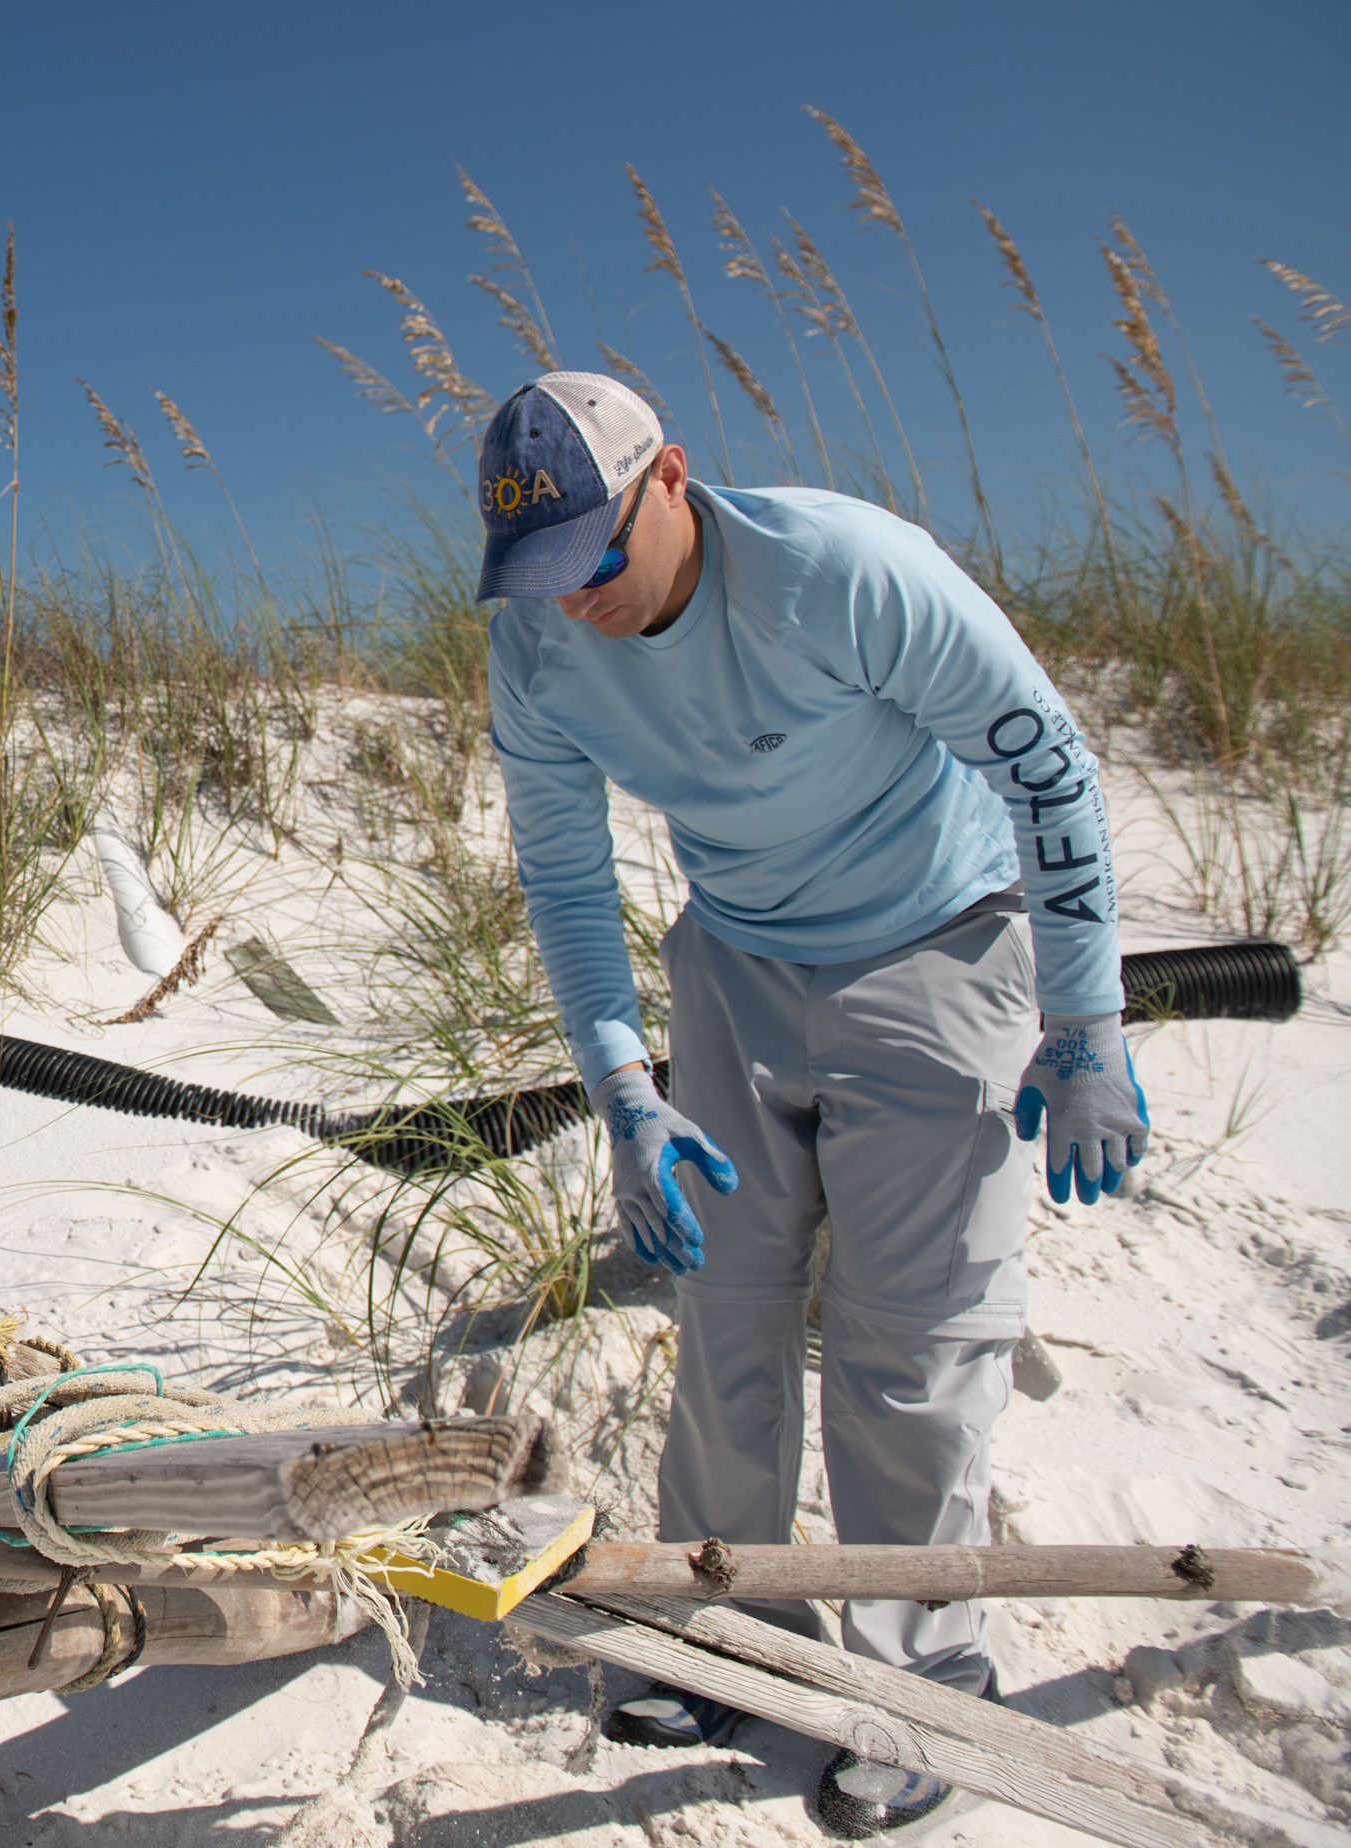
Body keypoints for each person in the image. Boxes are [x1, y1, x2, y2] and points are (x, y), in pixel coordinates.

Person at [476, 373, 1148, 1839]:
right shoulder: (536, 641)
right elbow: (570, 879)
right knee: (725, 1308)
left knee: (911, 1341)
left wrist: (1083, 1020)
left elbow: (1047, 763)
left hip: (938, 941)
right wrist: (625, 1092)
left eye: (596, 553)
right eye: (539, 571)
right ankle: (732, 1625)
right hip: (734, 962)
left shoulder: (844, 570)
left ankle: (925, 1680)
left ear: (670, 484)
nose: (572, 596)